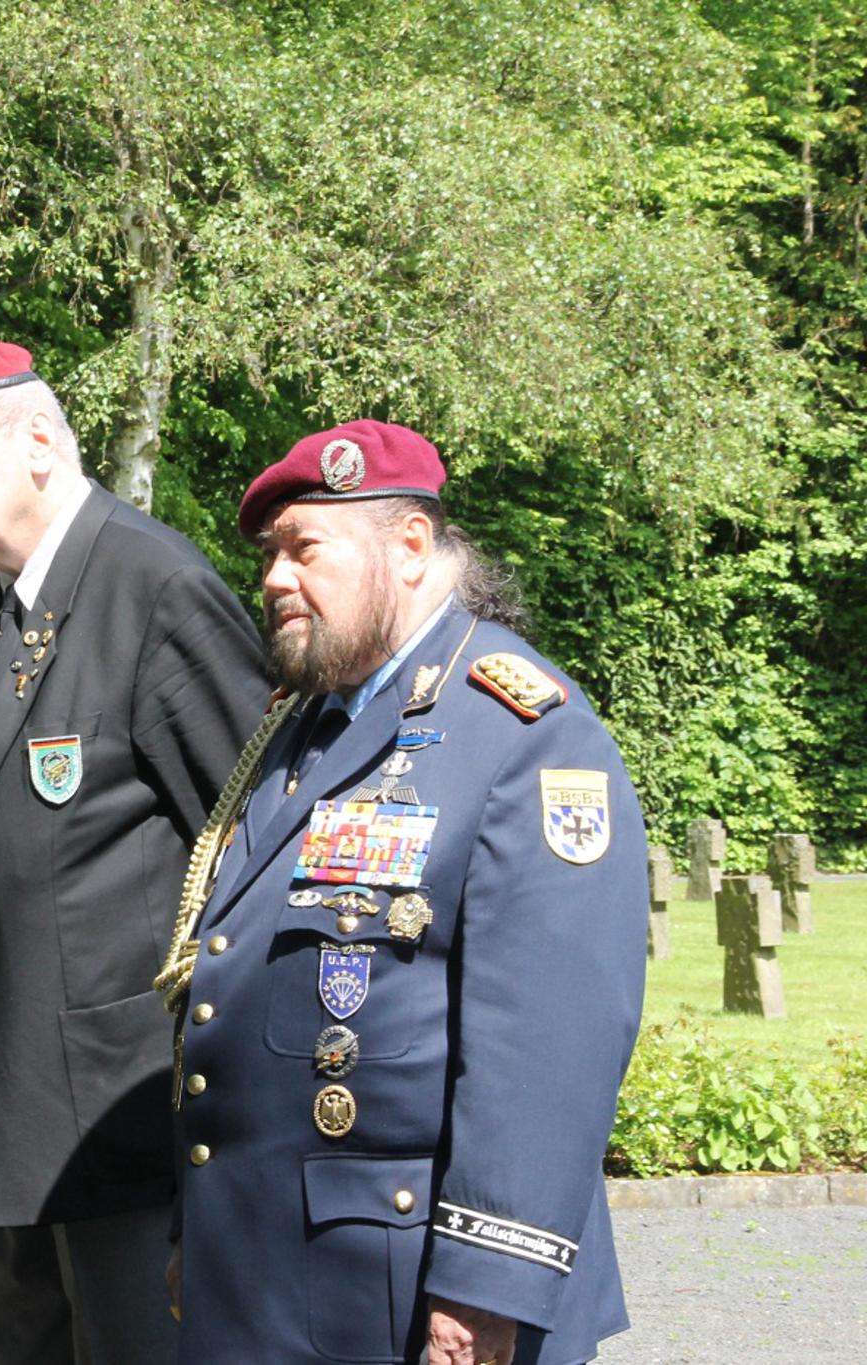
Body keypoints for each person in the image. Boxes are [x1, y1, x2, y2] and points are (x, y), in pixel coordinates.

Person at [155, 420, 647, 1364]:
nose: (273, 578)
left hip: (406, 1292)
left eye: (305, 548)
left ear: (410, 545)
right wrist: (201, 1229)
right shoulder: (304, 728)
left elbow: (548, 1039)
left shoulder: (520, 728)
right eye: (269, 554)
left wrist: (486, 1289)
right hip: (266, 1267)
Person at [0, 337, 266, 1364]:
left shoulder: (150, 586)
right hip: (11, 1133)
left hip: (127, 1132)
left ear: (42, 444)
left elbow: (250, 854)